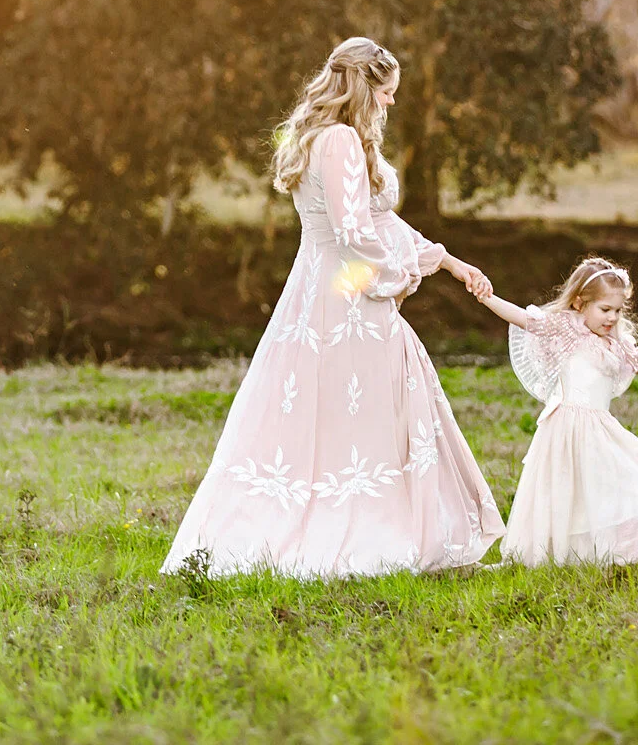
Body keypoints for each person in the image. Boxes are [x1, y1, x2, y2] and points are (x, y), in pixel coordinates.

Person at [161, 37, 505, 578]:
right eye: (387, 93)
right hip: (341, 294)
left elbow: (379, 220)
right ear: (363, 88)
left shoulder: (327, 136)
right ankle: (375, 537)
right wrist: (395, 278)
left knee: (347, 414)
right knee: (367, 413)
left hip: (322, 286)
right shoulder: (340, 139)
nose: (391, 104)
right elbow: (352, 233)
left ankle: (402, 528)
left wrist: (446, 261)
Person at [469, 258, 638, 567]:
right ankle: (562, 550)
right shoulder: (566, 330)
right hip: (568, 426)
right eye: (605, 310)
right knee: (566, 490)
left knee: (630, 463)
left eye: (617, 311)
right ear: (580, 303)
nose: (612, 318)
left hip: (599, 426)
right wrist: (486, 298)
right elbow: (525, 320)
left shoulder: (614, 343)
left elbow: (637, 363)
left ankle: (605, 547)